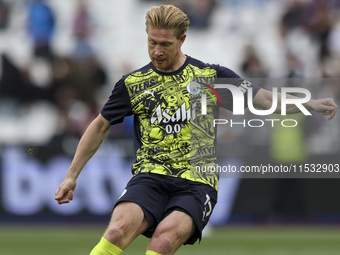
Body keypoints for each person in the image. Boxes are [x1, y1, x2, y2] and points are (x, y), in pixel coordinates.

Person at [55, 4, 338, 255]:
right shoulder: (133, 84)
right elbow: (100, 125)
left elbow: (263, 100)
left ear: (182, 39)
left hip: (197, 182)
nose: (156, 51)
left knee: (163, 241)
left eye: (165, 44)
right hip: (149, 177)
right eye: (151, 42)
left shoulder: (210, 77)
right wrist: (71, 176)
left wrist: (309, 103)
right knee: (116, 231)